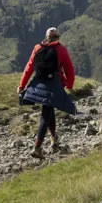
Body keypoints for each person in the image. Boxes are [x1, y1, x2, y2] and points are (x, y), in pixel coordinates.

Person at [18, 27, 76, 158]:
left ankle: (54, 139)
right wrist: (70, 85)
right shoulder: (61, 50)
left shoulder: (37, 48)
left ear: (46, 36)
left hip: (38, 84)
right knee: (46, 114)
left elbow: (29, 67)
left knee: (49, 110)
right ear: (58, 37)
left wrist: (22, 85)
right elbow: (69, 69)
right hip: (53, 85)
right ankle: (37, 148)